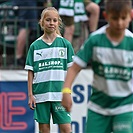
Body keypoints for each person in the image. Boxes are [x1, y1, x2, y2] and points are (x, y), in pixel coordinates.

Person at [61, 0, 133, 132]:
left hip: (125, 106)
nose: (119, 23)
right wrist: (66, 90)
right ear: (106, 16)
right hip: (98, 107)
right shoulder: (95, 40)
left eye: (123, 18)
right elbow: (75, 67)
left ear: (131, 16)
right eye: (115, 18)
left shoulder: (131, 42)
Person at [24, 7, 74, 133]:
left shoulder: (65, 44)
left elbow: (71, 71)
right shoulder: (35, 46)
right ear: (42, 22)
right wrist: (30, 95)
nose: (51, 23)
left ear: (58, 23)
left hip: (59, 95)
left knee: (66, 129)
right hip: (41, 95)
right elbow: (30, 72)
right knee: (44, 130)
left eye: (54, 20)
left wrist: (67, 92)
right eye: (48, 20)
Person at [12, 0, 38, 67]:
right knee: (26, 27)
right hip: (26, 3)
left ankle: (19, 56)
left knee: (26, 28)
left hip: (23, 3)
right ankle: (18, 56)